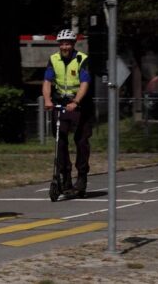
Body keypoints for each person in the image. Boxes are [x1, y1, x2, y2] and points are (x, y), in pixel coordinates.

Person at [42, 28, 93, 196]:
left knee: (81, 141)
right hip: (60, 104)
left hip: (79, 105)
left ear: (73, 44)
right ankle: (65, 177)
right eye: (62, 44)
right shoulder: (53, 59)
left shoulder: (82, 59)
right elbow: (48, 81)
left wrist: (76, 101)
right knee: (60, 141)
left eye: (68, 44)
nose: (65, 47)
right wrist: (48, 100)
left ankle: (82, 177)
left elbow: (84, 83)